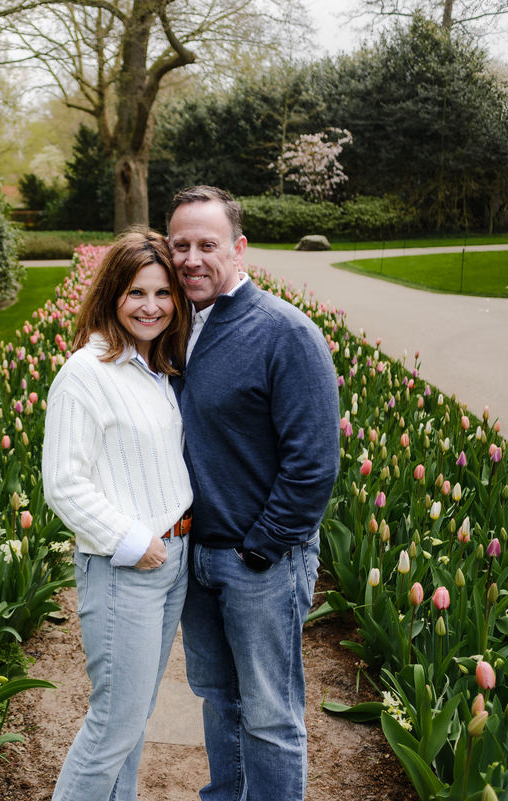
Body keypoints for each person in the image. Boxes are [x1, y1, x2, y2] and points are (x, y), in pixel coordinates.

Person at [167, 185, 340, 801]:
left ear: (239, 249)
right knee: (217, 699)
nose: (191, 258)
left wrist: (260, 549)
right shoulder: (175, 327)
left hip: (259, 560)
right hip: (198, 557)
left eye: (207, 245)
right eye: (179, 245)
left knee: (269, 714)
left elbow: (314, 463)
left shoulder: (284, 333)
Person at [41, 228, 194, 801]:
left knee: (133, 720)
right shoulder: (86, 374)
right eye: (136, 293)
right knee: (112, 726)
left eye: (162, 294)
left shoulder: (155, 368)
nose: (151, 306)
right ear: (111, 295)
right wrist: (137, 541)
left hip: (172, 558)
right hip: (126, 565)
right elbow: (63, 483)